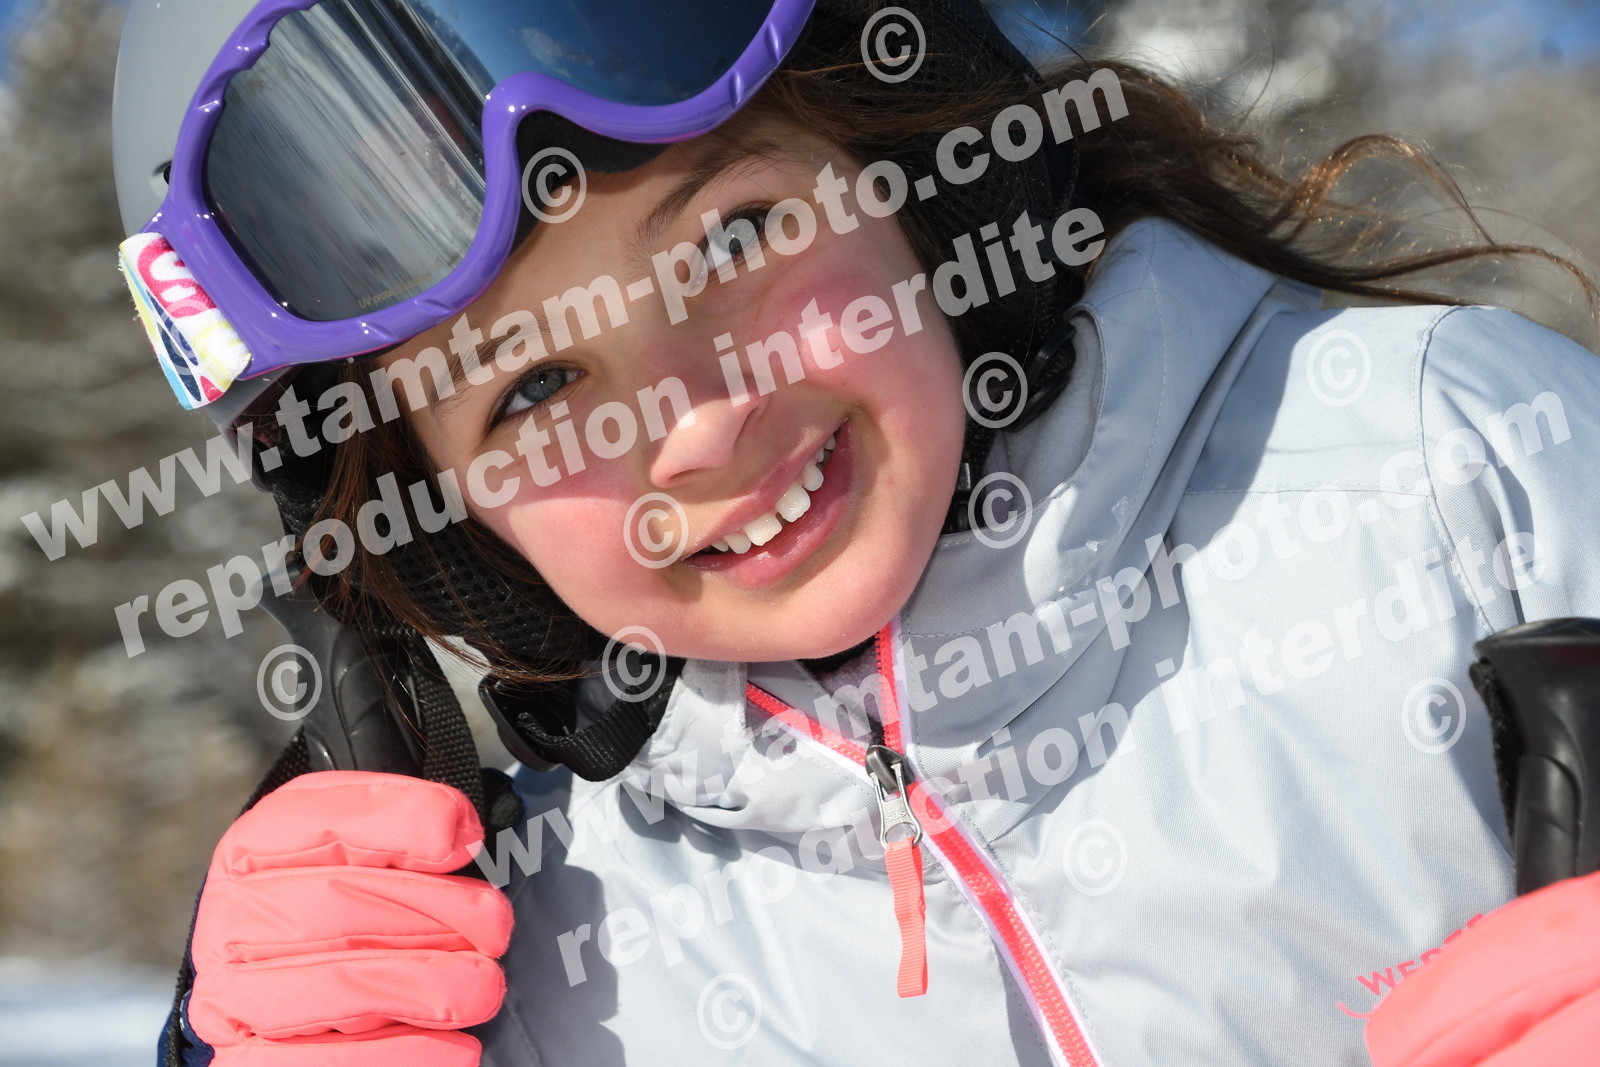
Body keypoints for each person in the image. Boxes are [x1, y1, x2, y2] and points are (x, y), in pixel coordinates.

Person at [111, 0, 1600, 1064]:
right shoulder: (541, 955)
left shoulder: (1447, 471)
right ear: (454, 533)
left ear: (919, 185)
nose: (695, 421)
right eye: (538, 391)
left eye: (735, 238)